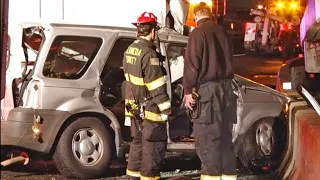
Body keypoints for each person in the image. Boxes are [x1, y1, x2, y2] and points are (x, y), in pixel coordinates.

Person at [183, 2, 238, 180]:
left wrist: (188, 91)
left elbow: (192, 65)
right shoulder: (223, 32)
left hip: (208, 93)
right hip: (227, 91)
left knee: (208, 140)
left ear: (196, 15)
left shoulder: (197, 34)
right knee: (225, 139)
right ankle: (228, 177)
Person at [123, 12, 171, 180]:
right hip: (150, 109)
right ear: (152, 31)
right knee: (153, 146)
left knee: (138, 144)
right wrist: (167, 109)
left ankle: (133, 176)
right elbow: (156, 86)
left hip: (134, 108)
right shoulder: (149, 55)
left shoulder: (130, 50)